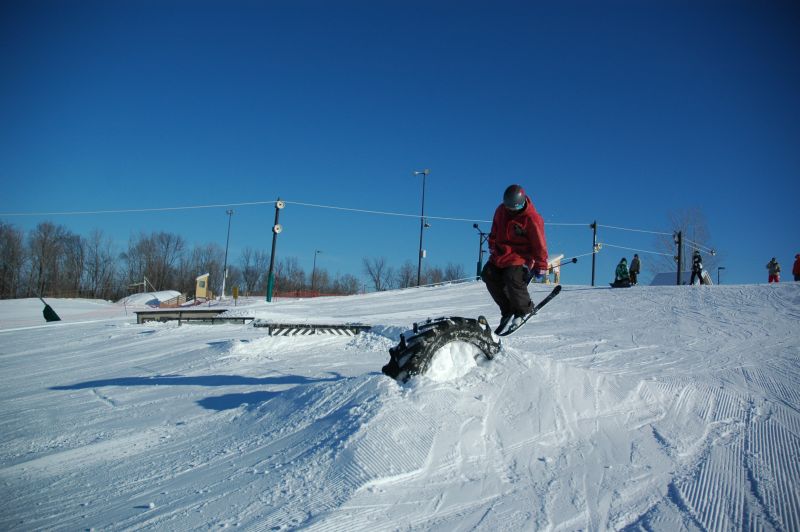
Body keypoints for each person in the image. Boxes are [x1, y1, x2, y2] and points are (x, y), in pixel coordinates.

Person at [481, 184, 548, 334]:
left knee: (512, 276)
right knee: (488, 274)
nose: (510, 211)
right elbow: (495, 230)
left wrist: (541, 264)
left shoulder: (532, 218)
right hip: (502, 253)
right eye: (508, 207)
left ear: (521, 203)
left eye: (513, 209)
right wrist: (492, 245)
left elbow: (539, 243)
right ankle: (507, 309)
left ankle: (523, 310)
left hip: (521, 255)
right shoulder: (500, 210)